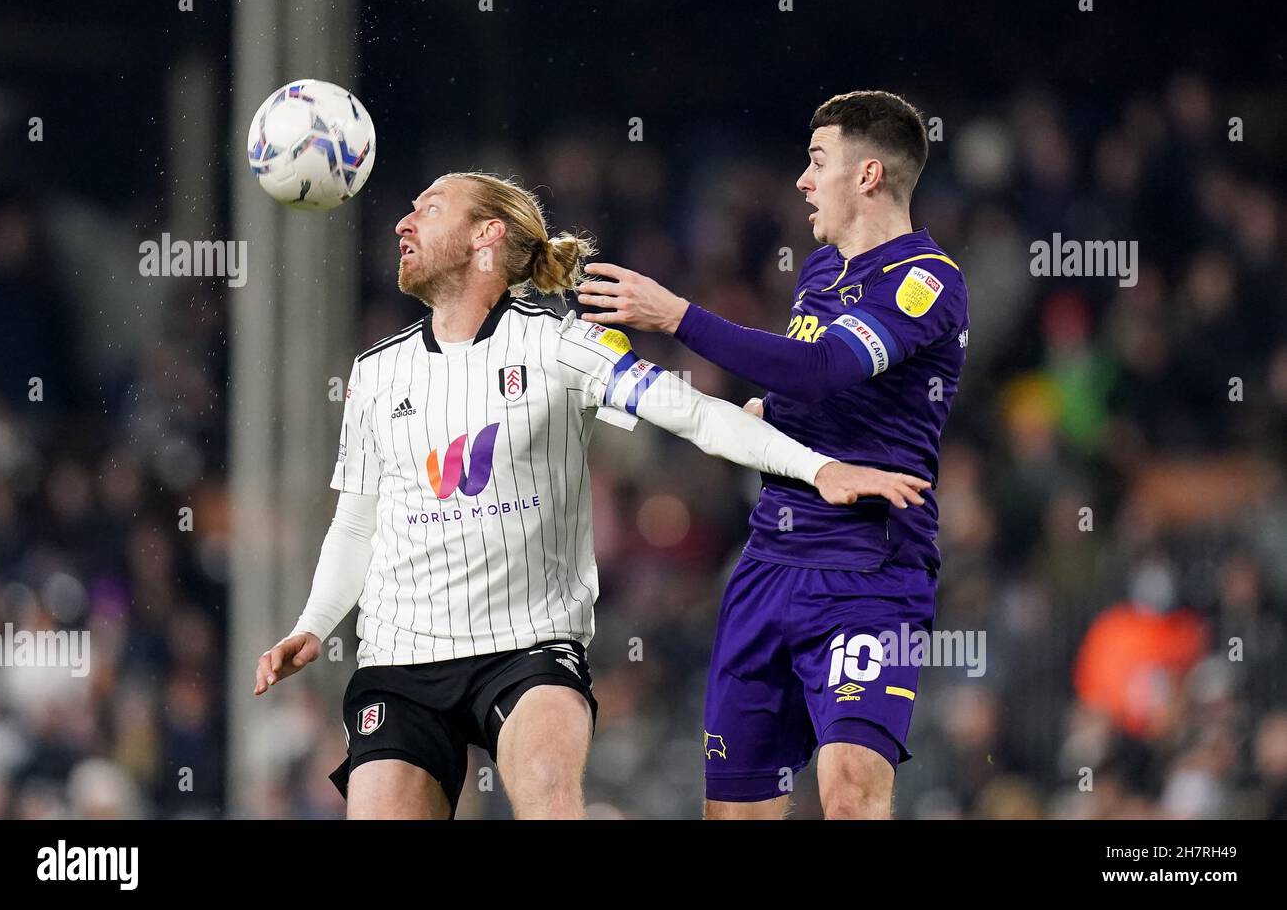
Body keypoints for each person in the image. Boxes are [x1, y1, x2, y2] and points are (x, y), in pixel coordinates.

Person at [253, 171, 932, 819]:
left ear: (487, 234)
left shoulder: (561, 347)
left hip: (526, 650)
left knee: (548, 790)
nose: (402, 221)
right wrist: (313, 624)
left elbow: (692, 412)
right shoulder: (374, 372)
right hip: (398, 658)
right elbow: (355, 524)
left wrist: (818, 470)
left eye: (429, 207)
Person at [577, 90, 970, 818]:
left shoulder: (927, 279)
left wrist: (678, 316)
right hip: (767, 566)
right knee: (735, 810)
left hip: (868, 570)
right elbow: (808, 383)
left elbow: (824, 369)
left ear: (869, 175)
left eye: (818, 160)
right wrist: (772, 414)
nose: (802, 178)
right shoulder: (820, 272)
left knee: (850, 787)